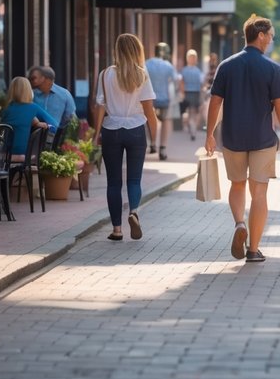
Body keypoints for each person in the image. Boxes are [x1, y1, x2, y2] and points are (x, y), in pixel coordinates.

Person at [205, 14, 280, 263]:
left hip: (232, 137)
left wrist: (209, 133)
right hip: (263, 138)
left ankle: (239, 223)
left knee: (237, 184)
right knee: (260, 193)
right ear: (260, 35)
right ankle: (253, 249)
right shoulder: (272, 68)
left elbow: (215, 102)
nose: (271, 40)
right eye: (271, 36)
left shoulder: (227, 65)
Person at [92, 33, 159, 241]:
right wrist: (155, 138)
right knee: (133, 179)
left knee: (113, 182)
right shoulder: (142, 75)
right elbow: (149, 110)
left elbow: (99, 107)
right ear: (137, 50)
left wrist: (96, 134)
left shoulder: (105, 74)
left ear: (117, 51)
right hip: (136, 129)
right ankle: (134, 212)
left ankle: (117, 230)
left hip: (111, 129)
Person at [0, 76, 59, 160]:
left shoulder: (6, 109)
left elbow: (15, 122)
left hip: (5, 154)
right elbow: (54, 125)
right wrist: (40, 124)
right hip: (24, 154)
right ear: (29, 91)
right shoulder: (33, 108)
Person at [145, 42, 179, 161]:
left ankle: (152, 143)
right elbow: (176, 80)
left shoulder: (147, 63)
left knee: (149, 120)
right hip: (165, 99)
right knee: (166, 121)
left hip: (149, 99)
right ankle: (163, 148)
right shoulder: (168, 65)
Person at [28, 64, 76, 135]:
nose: (34, 81)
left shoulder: (64, 94)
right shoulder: (31, 93)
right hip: (34, 137)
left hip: (54, 137)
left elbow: (71, 118)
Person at [180, 49, 205, 142]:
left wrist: (182, 93)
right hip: (195, 93)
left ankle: (191, 127)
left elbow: (181, 83)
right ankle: (193, 129)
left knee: (190, 112)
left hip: (189, 93)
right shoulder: (198, 71)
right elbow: (202, 84)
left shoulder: (184, 70)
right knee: (193, 112)